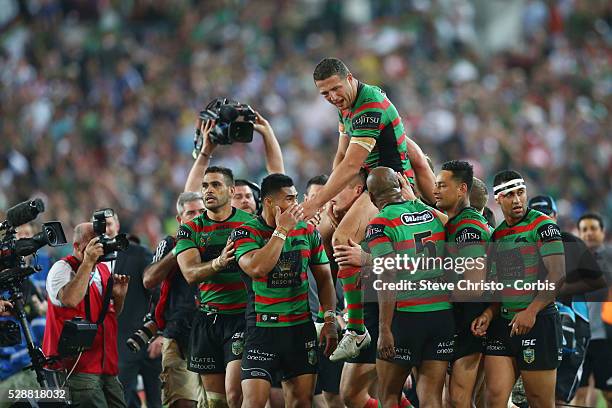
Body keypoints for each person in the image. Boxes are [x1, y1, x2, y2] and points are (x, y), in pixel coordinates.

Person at [302, 57, 436, 360]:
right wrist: (330, 202)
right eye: (324, 94)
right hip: (368, 179)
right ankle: (333, 312)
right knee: (320, 233)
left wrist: (316, 202)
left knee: (341, 239)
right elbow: (340, 155)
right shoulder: (344, 106)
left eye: (335, 89)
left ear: (350, 78)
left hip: (390, 182)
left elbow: (351, 163)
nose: (332, 97)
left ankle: (357, 328)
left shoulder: (369, 103)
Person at [232, 173, 338, 408]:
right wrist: (281, 232)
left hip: (299, 329)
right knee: (254, 403)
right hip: (262, 330)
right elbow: (258, 268)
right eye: (289, 199)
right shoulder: (245, 233)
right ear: (269, 202)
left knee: (301, 402)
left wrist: (329, 318)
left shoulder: (308, 232)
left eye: (295, 198)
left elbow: (324, 279)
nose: (295, 204)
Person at [471, 170, 565, 408]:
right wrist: (488, 314)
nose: (517, 200)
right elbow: (498, 287)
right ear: (498, 199)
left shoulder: (543, 226)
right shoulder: (498, 235)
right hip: (504, 325)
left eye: (521, 193)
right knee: (494, 400)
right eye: (510, 194)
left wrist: (531, 311)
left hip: (538, 322)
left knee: (539, 402)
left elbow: (558, 274)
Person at [365, 167, 452, 408]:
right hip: (441, 315)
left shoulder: (379, 224)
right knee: (432, 396)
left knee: (389, 395)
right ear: (400, 186)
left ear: (372, 197)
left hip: (407, 317)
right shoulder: (430, 213)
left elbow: (388, 274)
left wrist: (384, 328)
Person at [175, 167, 254, 408]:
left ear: (231, 191)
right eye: (205, 185)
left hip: (242, 317)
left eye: (216, 185)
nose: (209, 190)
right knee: (216, 402)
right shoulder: (190, 229)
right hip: (208, 319)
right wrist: (219, 262)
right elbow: (189, 273)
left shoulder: (249, 224)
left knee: (234, 393)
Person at [528, 196, 606, 405]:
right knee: (536, 394)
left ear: (555, 216)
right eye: (538, 214)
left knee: (560, 395)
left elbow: (596, 280)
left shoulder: (570, 241)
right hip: (538, 323)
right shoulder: (526, 244)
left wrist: (558, 289)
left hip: (573, 323)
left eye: (547, 213)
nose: (543, 218)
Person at [43, 222, 130, 408]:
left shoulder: (104, 269)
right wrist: (88, 262)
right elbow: (70, 300)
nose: (98, 248)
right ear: (76, 246)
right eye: (92, 243)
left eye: (100, 242)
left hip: (107, 365)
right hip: (77, 368)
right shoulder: (62, 268)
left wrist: (119, 297)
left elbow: (111, 316)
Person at [433, 161, 491, 408]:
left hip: (472, 319)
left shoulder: (469, 228)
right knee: (451, 401)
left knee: (458, 400)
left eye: (442, 186)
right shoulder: (455, 222)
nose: (435, 191)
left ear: (461, 189)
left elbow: (474, 286)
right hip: (459, 318)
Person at [142, 192, 207, 408]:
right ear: (180, 220)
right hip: (178, 333)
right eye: (191, 213)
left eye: (201, 211)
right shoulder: (170, 243)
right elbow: (149, 279)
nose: (197, 217)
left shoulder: (220, 241)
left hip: (212, 332)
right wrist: (177, 250)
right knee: (184, 402)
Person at [103, 210, 159, 408]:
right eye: (100, 225)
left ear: (117, 226)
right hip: (116, 346)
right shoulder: (89, 262)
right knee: (123, 401)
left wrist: (159, 332)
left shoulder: (139, 253)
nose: (105, 229)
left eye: (109, 224)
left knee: (158, 401)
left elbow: (159, 293)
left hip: (147, 340)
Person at [575, 213, 612, 407]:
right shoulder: (573, 262)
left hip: (605, 337)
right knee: (578, 393)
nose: (589, 233)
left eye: (593, 229)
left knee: (608, 393)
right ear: (579, 234)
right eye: (584, 229)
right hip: (580, 337)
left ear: (602, 232)